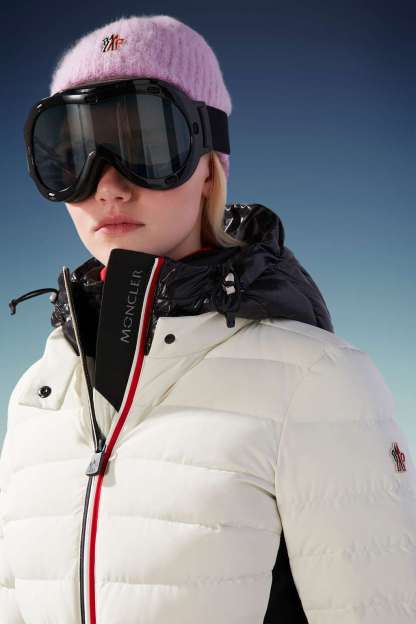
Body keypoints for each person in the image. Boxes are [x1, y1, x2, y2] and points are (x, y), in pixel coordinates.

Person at [1, 14, 415, 624]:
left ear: (207, 164)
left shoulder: (318, 380)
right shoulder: (39, 395)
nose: (107, 187)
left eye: (145, 146)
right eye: (73, 156)